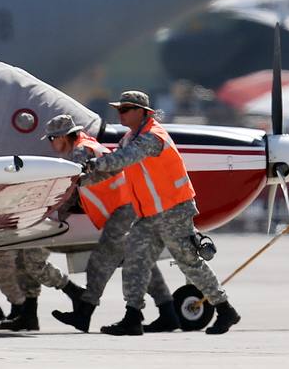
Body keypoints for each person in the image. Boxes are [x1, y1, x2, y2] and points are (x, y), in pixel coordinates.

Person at [79, 91, 241, 335]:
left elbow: (123, 159)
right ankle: (133, 317)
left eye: (125, 109)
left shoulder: (152, 137)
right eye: (119, 110)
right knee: (135, 259)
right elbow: (115, 166)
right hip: (150, 214)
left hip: (173, 211)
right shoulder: (131, 137)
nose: (119, 114)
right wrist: (82, 178)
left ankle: (225, 310)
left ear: (142, 112)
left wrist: (94, 163)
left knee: (189, 263)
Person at [42, 114, 176, 334]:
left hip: (124, 208)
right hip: (127, 205)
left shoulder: (80, 150)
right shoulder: (86, 145)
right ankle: (167, 311)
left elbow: (74, 184)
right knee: (139, 261)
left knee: (100, 260)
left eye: (51, 139)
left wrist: (53, 212)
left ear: (62, 136)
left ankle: (84, 313)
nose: (51, 144)